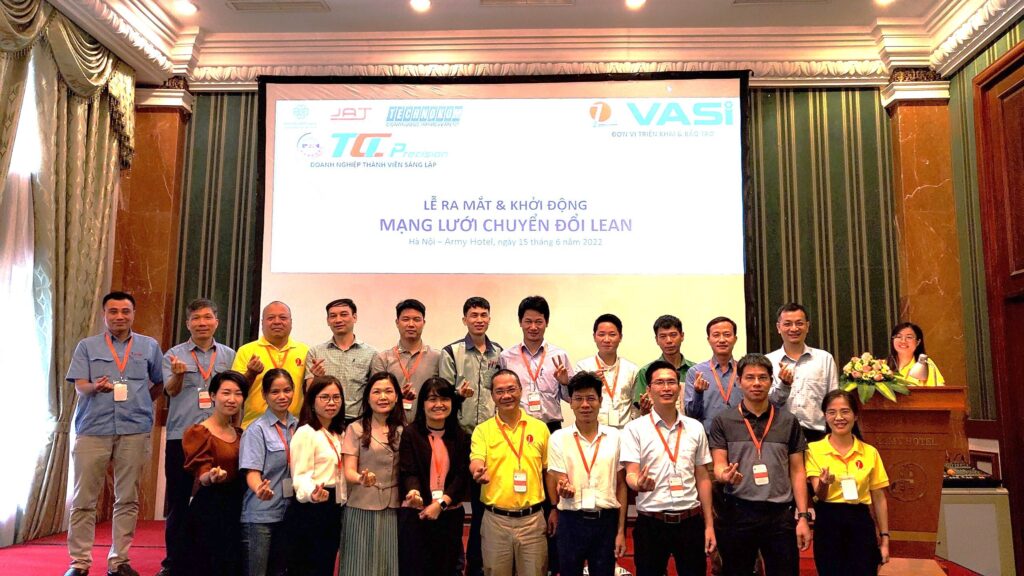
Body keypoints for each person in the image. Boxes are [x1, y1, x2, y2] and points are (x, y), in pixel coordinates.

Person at [64, 291, 164, 576]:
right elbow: (80, 385)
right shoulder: (87, 346)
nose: (119, 316)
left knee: (127, 498)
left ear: (133, 314)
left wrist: (140, 402)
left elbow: (159, 383)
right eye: (113, 311)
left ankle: (119, 560)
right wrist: (95, 387)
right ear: (104, 315)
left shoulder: (149, 346)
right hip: (93, 428)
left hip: (134, 430)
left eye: (125, 311)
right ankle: (79, 563)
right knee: (84, 499)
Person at [710, 353, 811, 576]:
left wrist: (803, 516)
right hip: (738, 511)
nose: (756, 383)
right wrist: (724, 475)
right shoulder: (723, 421)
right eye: (750, 377)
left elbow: (797, 471)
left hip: (779, 514)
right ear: (739, 382)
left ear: (771, 381)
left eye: (762, 378)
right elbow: (718, 464)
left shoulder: (788, 421)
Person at [159, 298, 235, 576]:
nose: (202, 323)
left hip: (219, 437)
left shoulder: (229, 355)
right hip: (181, 437)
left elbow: (235, 394)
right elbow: (170, 391)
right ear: (187, 323)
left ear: (217, 321)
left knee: (217, 501)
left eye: (207, 317)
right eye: (196, 318)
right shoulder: (173, 355)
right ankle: (173, 563)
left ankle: (211, 561)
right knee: (178, 502)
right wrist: (178, 375)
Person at [621, 361, 715, 576]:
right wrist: (638, 484)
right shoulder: (635, 429)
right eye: (660, 383)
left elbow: (702, 477)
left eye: (671, 382)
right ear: (649, 390)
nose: (666, 388)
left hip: (690, 521)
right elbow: (631, 473)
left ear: (679, 388)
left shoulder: (695, 428)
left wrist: (709, 525)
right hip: (651, 522)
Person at [439, 296, 503, 576]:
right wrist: (457, 395)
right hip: (457, 436)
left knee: (483, 505)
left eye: (483, 314)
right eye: (473, 315)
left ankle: (477, 566)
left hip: (489, 438)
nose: (479, 319)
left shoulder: (499, 353)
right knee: (451, 503)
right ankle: (452, 564)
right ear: (464, 319)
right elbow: (442, 396)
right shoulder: (451, 352)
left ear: (489, 318)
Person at [470, 369, 551, 576]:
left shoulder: (540, 428)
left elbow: (548, 471)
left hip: (532, 520)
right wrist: (478, 471)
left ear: (521, 390)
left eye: (511, 389)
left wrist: (555, 508)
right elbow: (476, 459)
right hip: (496, 521)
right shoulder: (482, 430)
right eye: (499, 391)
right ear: (492, 396)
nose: (506, 396)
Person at [547, 372, 628, 576]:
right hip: (571, 521)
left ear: (600, 400)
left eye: (591, 398)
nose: (585, 405)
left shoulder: (616, 437)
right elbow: (559, 478)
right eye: (579, 399)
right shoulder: (558, 438)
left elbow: (621, 485)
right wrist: (563, 488)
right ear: (571, 402)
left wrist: (620, 531)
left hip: (606, 521)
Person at [805, 389, 890, 575]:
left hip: (860, 522)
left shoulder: (870, 452)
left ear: (855, 415)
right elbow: (819, 496)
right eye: (832, 412)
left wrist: (884, 539)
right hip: (828, 522)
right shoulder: (813, 450)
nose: (839, 418)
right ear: (825, 416)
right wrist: (824, 483)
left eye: (845, 411)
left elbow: (879, 498)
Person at [398, 377, 471, 576]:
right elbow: (408, 470)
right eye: (432, 399)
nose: (439, 404)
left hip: (449, 513)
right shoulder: (410, 433)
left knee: (448, 568)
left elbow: (461, 476)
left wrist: (441, 504)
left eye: (444, 399)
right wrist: (414, 492)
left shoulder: (461, 436)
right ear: (422, 404)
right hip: (417, 513)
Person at [181, 370, 249, 576]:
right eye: (226, 393)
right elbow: (201, 471)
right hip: (210, 507)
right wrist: (210, 477)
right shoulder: (199, 432)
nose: (232, 399)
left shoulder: (240, 434)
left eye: (238, 394)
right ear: (212, 395)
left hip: (237, 506)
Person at [341, 372, 406, 575]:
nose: (382, 397)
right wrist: (361, 479)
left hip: (393, 506)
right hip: (361, 505)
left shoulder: (404, 430)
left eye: (388, 391)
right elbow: (348, 471)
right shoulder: (355, 428)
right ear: (368, 398)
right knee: (358, 565)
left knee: (387, 564)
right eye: (376, 392)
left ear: (396, 396)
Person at [239, 369, 298, 576]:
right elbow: (251, 472)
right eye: (275, 392)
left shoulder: (299, 426)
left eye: (287, 390)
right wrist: (259, 489)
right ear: (264, 395)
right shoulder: (256, 430)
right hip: (260, 516)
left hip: (289, 514)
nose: (282, 396)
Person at [287, 376, 348, 576]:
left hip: (334, 506)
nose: (331, 403)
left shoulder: (339, 433)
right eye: (325, 397)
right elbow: (300, 476)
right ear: (312, 401)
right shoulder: (306, 432)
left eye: (336, 397)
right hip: (312, 507)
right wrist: (312, 494)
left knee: (327, 564)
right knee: (309, 566)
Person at [766, 303, 839, 442]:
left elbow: (833, 400)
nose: (794, 328)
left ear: (807, 326)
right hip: (779, 435)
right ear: (778, 327)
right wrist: (784, 385)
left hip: (818, 435)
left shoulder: (824, 358)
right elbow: (766, 403)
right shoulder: (768, 361)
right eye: (787, 324)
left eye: (799, 323)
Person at [498, 295, 572, 432]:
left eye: (538, 322)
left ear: (547, 322)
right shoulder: (506, 357)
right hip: (517, 426)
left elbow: (570, 399)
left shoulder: (559, 356)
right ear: (520, 322)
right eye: (528, 321)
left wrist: (565, 383)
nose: (533, 327)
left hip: (550, 427)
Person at [233, 301, 308, 428]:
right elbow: (236, 390)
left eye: (283, 318)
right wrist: (251, 373)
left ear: (291, 322)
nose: (277, 322)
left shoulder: (304, 351)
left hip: (294, 426)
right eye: (271, 318)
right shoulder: (246, 351)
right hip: (254, 426)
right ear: (262, 323)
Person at [305, 298, 377, 424]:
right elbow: (309, 393)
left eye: (343, 314)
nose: (338, 320)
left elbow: (375, 391)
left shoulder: (371, 353)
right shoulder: (315, 352)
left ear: (354, 317)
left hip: (358, 421)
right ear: (328, 321)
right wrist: (317, 379)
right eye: (333, 316)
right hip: (325, 421)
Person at [372, 299, 441, 422]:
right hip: (390, 423)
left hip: (425, 424)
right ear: (397, 322)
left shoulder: (437, 357)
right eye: (405, 319)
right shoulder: (383, 358)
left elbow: (442, 394)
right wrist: (398, 395)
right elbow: (376, 394)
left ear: (423, 323)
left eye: (416, 319)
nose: (411, 324)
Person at [574, 313, 639, 429]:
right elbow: (577, 399)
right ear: (594, 337)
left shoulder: (631, 369)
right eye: (601, 334)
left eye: (612, 334)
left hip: (624, 431)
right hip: (594, 431)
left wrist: (632, 425)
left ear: (620, 337)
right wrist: (591, 382)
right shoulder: (583, 366)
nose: (607, 339)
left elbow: (635, 404)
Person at [685, 316, 743, 433]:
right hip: (708, 436)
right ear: (709, 340)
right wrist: (698, 393)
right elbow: (691, 415)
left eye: (727, 335)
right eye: (716, 335)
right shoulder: (696, 372)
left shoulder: (744, 371)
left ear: (735, 339)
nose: (722, 340)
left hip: (741, 435)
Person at [634, 315, 697, 414]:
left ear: (682, 336)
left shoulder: (695, 370)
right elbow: (641, 407)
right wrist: (644, 408)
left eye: (673, 335)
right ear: (656, 340)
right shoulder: (646, 371)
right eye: (663, 336)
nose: (669, 341)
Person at [888, 322, 945, 386]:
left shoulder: (926, 364)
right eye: (898, 336)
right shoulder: (883, 366)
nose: (903, 341)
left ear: (918, 342)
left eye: (909, 337)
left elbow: (938, 390)